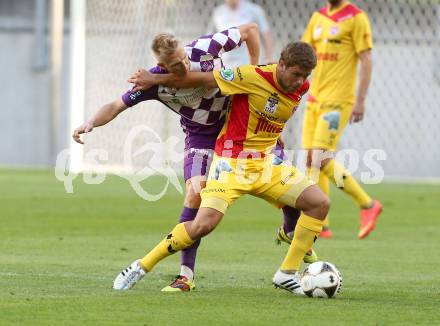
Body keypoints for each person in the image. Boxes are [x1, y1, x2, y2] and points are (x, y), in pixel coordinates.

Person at [73, 24, 313, 293]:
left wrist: (253, 72)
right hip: (201, 136)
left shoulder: (205, 48)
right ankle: (185, 275)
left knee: (286, 181)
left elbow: (250, 31)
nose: (184, 64)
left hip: (242, 124)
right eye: (175, 64)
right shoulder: (152, 82)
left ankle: (291, 233)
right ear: (160, 64)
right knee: (194, 195)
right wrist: (90, 122)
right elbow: (115, 106)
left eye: (183, 57)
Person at [299, 0, 382, 239]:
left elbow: (366, 59)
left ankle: (368, 204)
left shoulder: (356, 18)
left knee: (321, 158)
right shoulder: (318, 17)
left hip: (338, 101)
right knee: (310, 160)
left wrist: (361, 100)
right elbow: (304, 55)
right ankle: (321, 224)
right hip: (315, 98)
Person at [210, 0, 274, 67]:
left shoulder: (254, 10)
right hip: (225, 65)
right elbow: (210, 38)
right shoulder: (217, 12)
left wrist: (268, 58)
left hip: (247, 63)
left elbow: (266, 36)